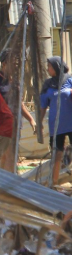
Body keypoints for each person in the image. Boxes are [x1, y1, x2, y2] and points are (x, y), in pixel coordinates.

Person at [0, 49, 37, 134]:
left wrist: (31, 120)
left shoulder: (16, 82)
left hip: (16, 126)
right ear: (4, 64)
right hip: (0, 128)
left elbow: (20, 104)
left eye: (18, 64)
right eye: (14, 64)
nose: (17, 67)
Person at [40, 56, 72, 185]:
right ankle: (54, 183)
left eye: (50, 66)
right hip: (56, 126)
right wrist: (39, 123)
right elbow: (43, 106)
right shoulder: (47, 85)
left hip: (71, 123)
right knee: (56, 154)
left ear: (57, 67)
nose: (48, 69)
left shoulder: (69, 80)